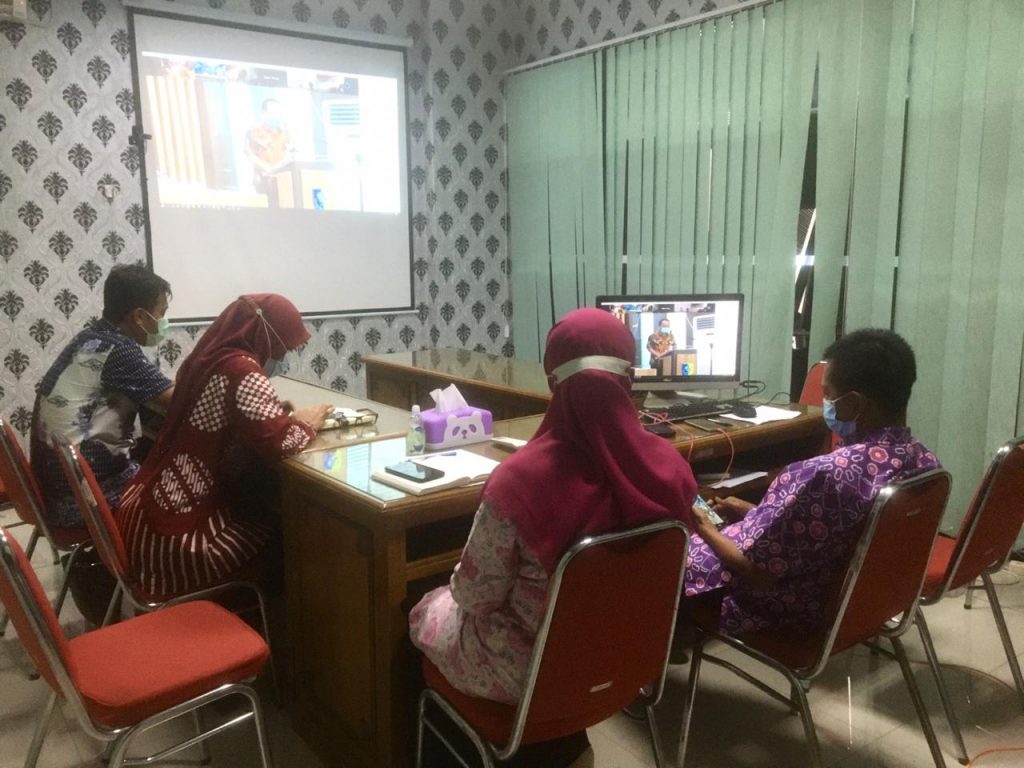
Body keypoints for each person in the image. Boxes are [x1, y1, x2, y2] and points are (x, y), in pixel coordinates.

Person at [409, 307, 697, 767]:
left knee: (423, 607)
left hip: (532, 678)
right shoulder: (671, 467)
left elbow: (475, 597)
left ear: (552, 382)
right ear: (629, 378)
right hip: (629, 662)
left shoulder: (519, 480)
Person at [684, 328, 940, 636]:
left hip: (798, 609)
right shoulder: (925, 462)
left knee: (674, 549)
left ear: (854, 403)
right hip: (861, 602)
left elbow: (757, 573)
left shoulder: (823, 475)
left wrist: (704, 527)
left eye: (828, 394)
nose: (824, 402)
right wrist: (755, 511)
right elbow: (827, 530)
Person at [116, 294, 332, 599]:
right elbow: (281, 445)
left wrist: (270, 414)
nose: (283, 354)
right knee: (285, 529)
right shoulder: (243, 370)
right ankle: (266, 615)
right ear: (266, 334)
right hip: (178, 539)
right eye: (284, 345)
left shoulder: (206, 358)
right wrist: (307, 423)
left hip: (142, 513)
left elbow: (220, 411)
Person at [31, 264, 175, 529]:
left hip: (55, 489)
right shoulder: (118, 350)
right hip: (81, 500)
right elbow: (179, 400)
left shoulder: (92, 338)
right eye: (162, 313)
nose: (164, 322)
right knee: (183, 486)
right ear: (140, 317)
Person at [245, 98, 293, 197]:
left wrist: (282, 168)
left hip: (284, 181)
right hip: (264, 182)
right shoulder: (254, 131)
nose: (276, 115)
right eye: (273, 112)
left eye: (278, 112)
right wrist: (270, 170)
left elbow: (291, 152)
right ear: (264, 113)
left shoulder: (285, 131)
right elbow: (250, 155)